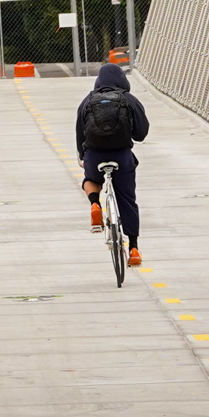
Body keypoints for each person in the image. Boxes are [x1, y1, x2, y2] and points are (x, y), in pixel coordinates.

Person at [77, 61, 150, 266]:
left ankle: (95, 205)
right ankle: (134, 249)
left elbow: (79, 133)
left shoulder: (88, 101)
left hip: (95, 156)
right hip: (121, 156)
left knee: (90, 179)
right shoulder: (128, 100)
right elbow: (142, 134)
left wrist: (84, 157)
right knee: (127, 199)